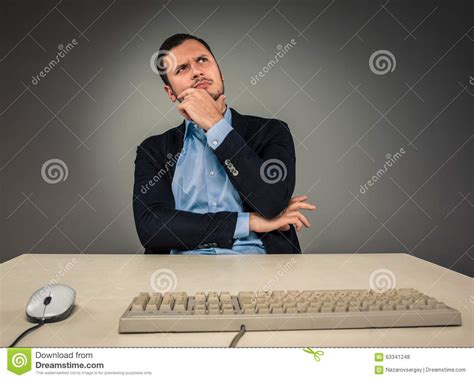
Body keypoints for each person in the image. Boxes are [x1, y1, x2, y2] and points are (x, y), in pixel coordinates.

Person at [133, 33, 316, 254]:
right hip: (180, 274)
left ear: (220, 73)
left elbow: (271, 202)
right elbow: (152, 228)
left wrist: (215, 124)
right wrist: (248, 222)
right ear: (171, 93)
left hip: (262, 270)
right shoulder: (154, 150)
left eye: (202, 60)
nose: (196, 71)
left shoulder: (272, 131)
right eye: (182, 68)